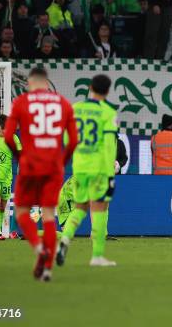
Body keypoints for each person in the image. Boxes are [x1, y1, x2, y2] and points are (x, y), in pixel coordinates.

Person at [4, 67, 78, 282]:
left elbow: (8, 136)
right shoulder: (63, 103)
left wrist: (20, 156)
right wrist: (62, 162)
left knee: (21, 212)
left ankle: (39, 249)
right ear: (47, 83)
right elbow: (72, 141)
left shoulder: (20, 102)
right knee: (48, 215)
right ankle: (46, 268)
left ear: (30, 82)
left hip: (29, 164)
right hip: (53, 166)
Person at [56, 75, 118, 267]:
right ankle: (97, 256)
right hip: (99, 168)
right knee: (98, 209)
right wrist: (109, 174)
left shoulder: (75, 109)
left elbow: (67, 140)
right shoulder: (108, 112)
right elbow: (109, 145)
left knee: (80, 207)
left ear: (90, 87)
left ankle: (65, 240)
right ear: (107, 91)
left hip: (80, 167)